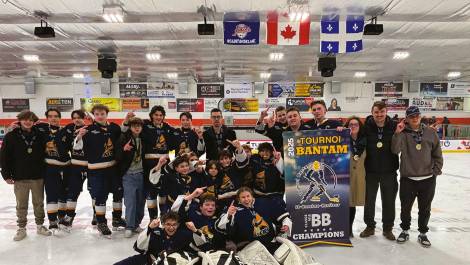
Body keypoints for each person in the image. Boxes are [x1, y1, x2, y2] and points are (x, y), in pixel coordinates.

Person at [392, 106, 443, 248]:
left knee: (425, 208)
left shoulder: (430, 133)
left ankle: (422, 233)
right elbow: (395, 150)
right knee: (405, 208)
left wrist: (436, 171)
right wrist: (397, 132)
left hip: (427, 179)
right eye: (411, 116)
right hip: (408, 178)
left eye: (417, 115)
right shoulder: (403, 133)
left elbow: (437, 153)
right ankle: (405, 230)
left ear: (420, 116)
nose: (415, 118)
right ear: (407, 118)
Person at [123, 106, 182, 220]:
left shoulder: (168, 128)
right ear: (152, 116)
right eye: (156, 115)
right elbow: (127, 130)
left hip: (165, 165)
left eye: (161, 115)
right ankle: (153, 219)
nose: (158, 117)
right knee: (151, 194)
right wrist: (126, 120)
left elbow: (174, 147)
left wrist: (170, 161)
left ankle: (164, 217)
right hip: (148, 167)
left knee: (163, 193)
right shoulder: (144, 126)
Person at [1, 110, 52, 240]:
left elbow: (51, 134)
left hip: (37, 176)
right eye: (25, 119)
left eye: (30, 119)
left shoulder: (40, 135)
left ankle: (40, 225)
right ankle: (21, 228)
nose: (28, 122)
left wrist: (43, 124)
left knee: (39, 203)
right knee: (21, 204)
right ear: (20, 120)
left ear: (34, 121)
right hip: (19, 177)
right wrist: (6, 175)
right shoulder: (11, 136)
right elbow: (4, 156)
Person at [74, 104, 124, 236]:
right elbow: (77, 149)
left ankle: (117, 219)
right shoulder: (88, 130)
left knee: (118, 195)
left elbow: (123, 138)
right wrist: (79, 137)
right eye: (97, 114)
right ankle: (101, 222)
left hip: (113, 169)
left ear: (106, 114)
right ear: (94, 115)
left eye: (102, 114)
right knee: (100, 197)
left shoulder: (114, 128)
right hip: (96, 171)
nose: (100, 116)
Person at [360, 101, 399, 241]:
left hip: (389, 171)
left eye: (382, 112)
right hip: (370, 171)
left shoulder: (394, 126)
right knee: (369, 201)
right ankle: (370, 226)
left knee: (389, 201)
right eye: (376, 112)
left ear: (386, 112)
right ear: (372, 112)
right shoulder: (366, 127)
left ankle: (388, 228)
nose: (379, 115)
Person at [217, 187, 292, 253]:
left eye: (248, 196)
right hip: (248, 248)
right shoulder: (234, 210)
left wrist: (286, 224)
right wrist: (229, 214)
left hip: (271, 243)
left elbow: (283, 215)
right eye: (243, 197)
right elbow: (220, 226)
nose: (246, 199)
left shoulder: (264, 203)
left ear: (252, 196)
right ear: (238, 199)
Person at [36, 108, 71, 230]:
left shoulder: (66, 131)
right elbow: (28, 124)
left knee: (64, 194)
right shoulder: (41, 129)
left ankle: (61, 218)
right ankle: (52, 221)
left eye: (56, 116)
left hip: (66, 168)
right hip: (50, 168)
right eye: (50, 116)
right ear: (47, 118)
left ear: (60, 117)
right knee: (51, 194)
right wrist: (17, 125)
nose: (53, 118)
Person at [114, 212, 191, 265]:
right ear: (163, 224)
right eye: (168, 224)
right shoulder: (155, 233)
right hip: (148, 260)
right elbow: (139, 247)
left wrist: (195, 230)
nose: (171, 227)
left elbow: (198, 249)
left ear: (178, 225)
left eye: (174, 224)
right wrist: (149, 228)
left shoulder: (183, 235)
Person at [116, 117, 146, 238]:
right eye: (134, 126)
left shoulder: (144, 139)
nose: (137, 128)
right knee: (130, 202)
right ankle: (129, 226)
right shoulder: (124, 138)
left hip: (142, 175)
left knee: (140, 202)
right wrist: (124, 149)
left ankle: (136, 224)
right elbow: (117, 157)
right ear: (130, 127)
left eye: (139, 126)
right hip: (128, 175)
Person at [63, 110, 90, 228]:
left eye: (79, 117)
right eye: (74, 117)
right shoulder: (68, 128)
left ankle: (96, 216)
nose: (77, 119)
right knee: (73, 191)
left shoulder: (92, 128)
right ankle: (69, 216)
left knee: (94, 192)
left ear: (84, 117)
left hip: (91, 166)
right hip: (75, 166)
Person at [344, 116, 366, 237]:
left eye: (355, 124)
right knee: (343, 203)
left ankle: (349, 229)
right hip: (344, 175)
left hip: (358, 175)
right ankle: (341, 227)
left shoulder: (364, 141)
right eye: (350, 124)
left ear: (359, 126)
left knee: (351, 203)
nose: (353, 126)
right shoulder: (342, 139)